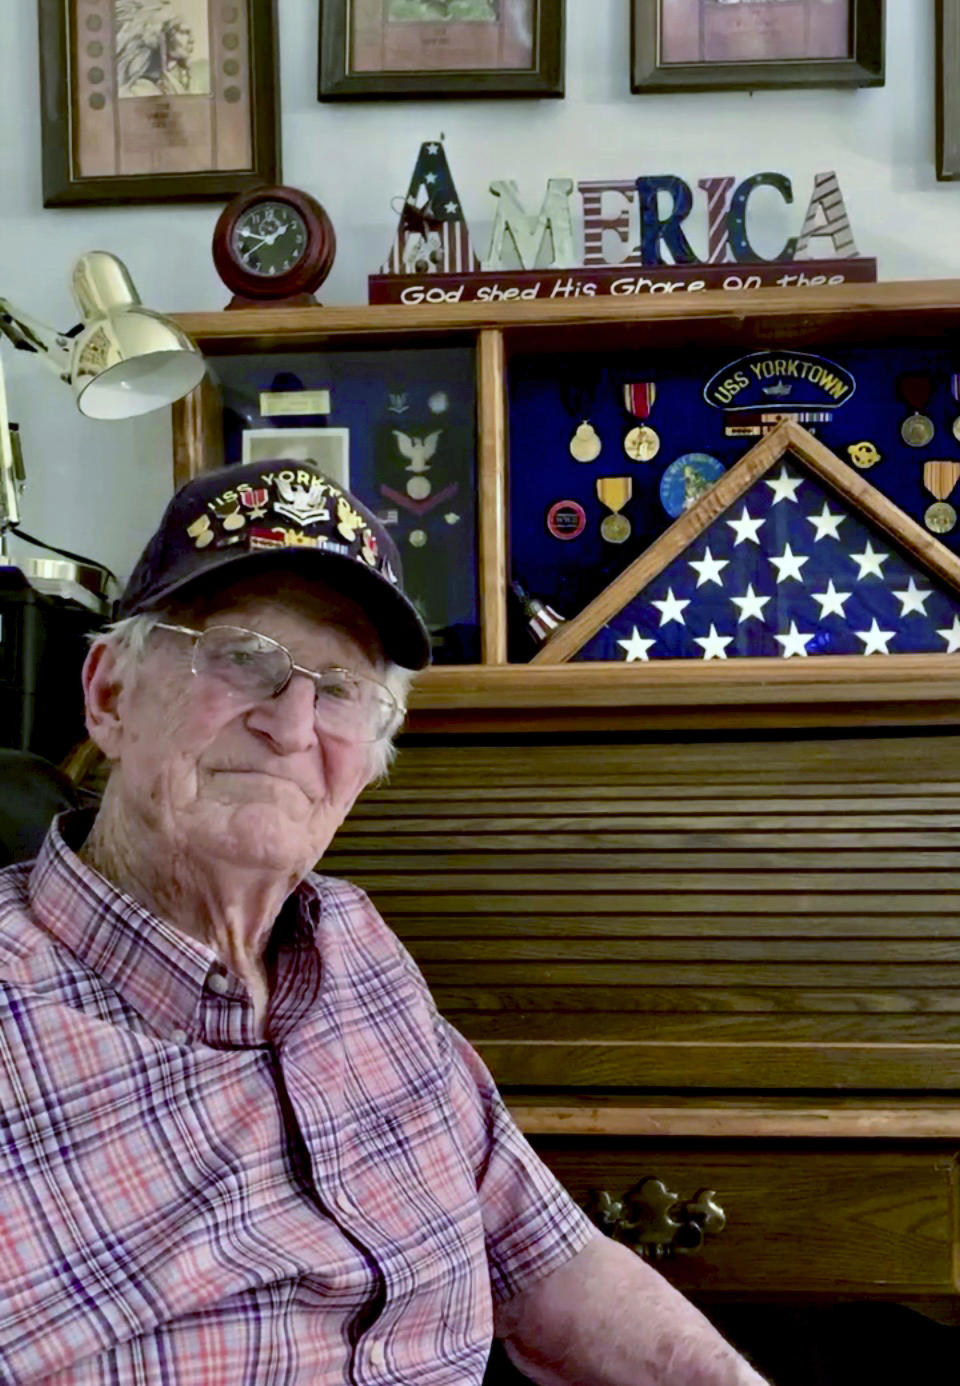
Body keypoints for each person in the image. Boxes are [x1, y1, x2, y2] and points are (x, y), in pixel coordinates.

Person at [0, 459, 767, 1384]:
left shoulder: (358, 945)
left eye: (338, 689)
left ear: (367, 761)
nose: (290, 725)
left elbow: (548, 1257)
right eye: (242, 655)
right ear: (109, 696)